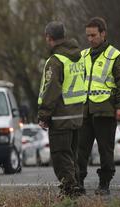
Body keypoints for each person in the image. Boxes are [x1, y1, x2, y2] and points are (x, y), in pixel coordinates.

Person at [76, 17, 120, 195]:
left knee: (105, 150)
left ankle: (104, 184)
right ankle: (78, 183)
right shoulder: (83, 56)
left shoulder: (114, 56)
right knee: (80, 149)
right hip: (85, 111)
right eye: (88, 36)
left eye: (93, 35)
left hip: (105, 111)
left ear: (103, 34)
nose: (90, 39)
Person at [37, 21, 86, 197]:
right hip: (76, 115)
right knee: (72, 154)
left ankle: (70, 189)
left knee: (60, 155)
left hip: (60, 117)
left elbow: (51, 90)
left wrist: (44, 114)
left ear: (49, 38)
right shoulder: (78, 57)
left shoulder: (56, 61)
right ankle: (77, 184)